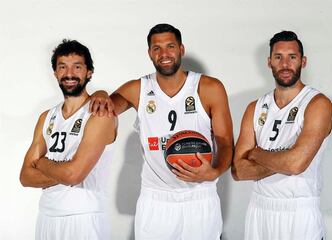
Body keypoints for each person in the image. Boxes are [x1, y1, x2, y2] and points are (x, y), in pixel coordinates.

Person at [91, 23, 233, 239]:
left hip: (199, 195)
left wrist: (214, 172)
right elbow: (105, 108)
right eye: (157, 48)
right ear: (149, 53)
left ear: (181, 49)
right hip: (156, 200)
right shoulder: (137, 89)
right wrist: (100, 92)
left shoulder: (209, 88)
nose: (164, 54)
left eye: (170, 46)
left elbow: (225, 141)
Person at [231, 31, 332, 240]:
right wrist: (284, 158)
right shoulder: (255, 108)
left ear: (303, 61)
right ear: (269, 62)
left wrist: (257, 153)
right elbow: (238, 171)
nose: (285, 64)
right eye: (278, 57)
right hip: (259, 211)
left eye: (292, 57)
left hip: (299, 212)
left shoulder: (317, 104)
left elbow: (295, 165)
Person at [19, 39, 117, 240]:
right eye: (62, 67)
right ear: (55, 73)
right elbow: (25, 177)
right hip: (47, 217)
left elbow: (74, 175)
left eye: (77, 67)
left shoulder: (100, 113)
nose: (69, 74)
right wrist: (67, 170)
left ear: (89, 72)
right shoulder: (47, 117)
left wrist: (43, 163)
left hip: (84, 220)